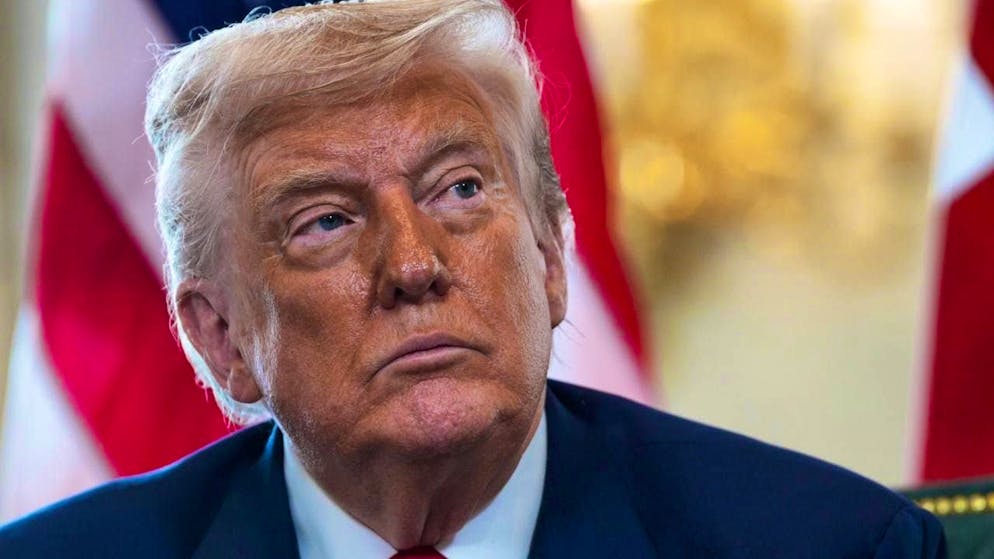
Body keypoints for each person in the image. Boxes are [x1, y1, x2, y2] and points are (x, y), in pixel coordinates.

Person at [0, 0, 945, 557]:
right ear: (219, 336)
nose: (414, 266)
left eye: (459, 191)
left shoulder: (829, 546)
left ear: (547, 257)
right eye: (326, 222)